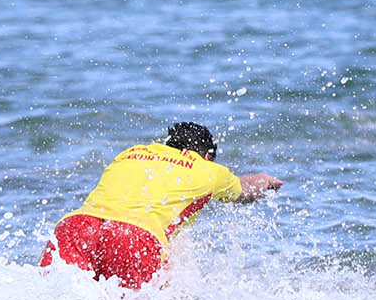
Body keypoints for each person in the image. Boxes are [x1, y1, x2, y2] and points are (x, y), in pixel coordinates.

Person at [40, 121, 282, 290]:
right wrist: (266, 181)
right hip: (133, 238)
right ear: (207, 155)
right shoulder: (208, 169)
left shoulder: (132, 152)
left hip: (74, 228)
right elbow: (244, 188)